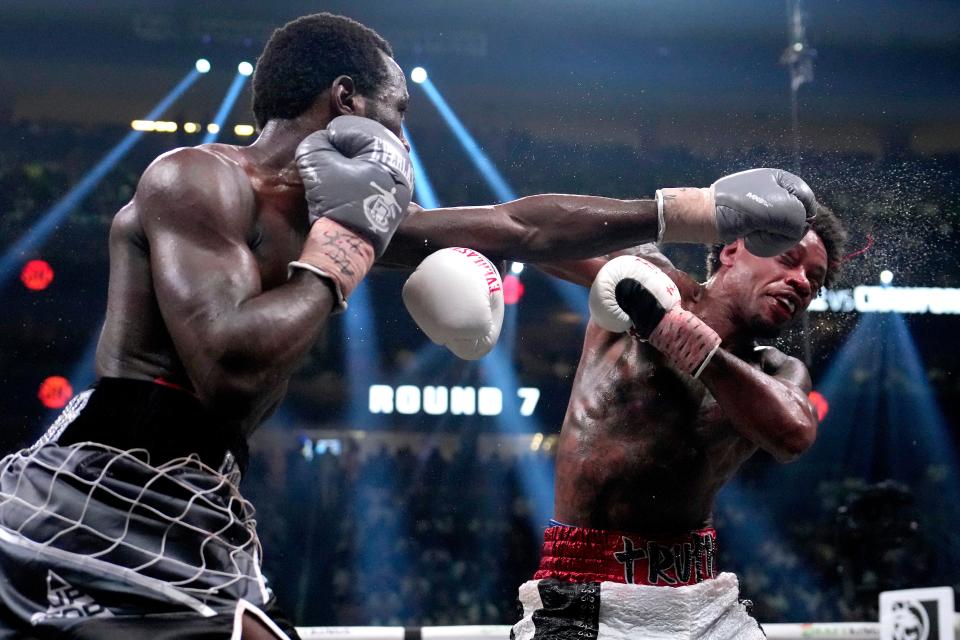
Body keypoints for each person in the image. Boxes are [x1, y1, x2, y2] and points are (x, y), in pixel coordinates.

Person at [0, 11, 822, 640]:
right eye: (396, 115)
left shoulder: (334, 208)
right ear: (346, 103)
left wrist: (696, 210)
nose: (402, 138)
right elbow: (228, 364)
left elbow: (521, 227)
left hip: (205, 489)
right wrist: (344, 248)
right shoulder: (195, 178)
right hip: (109, 481)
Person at [510, 198, 846, 639]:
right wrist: (429, 232)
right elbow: (539, 238)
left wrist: (684, 338)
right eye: (789, 260)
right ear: (731, 250)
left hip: (703, 595)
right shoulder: (651, 278)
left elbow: (793, 434)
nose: (801, 281)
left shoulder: (779, 372)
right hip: (588, 588)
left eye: (814, 281)